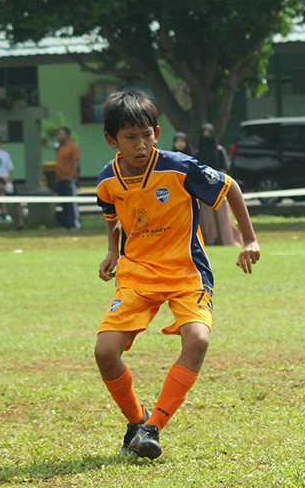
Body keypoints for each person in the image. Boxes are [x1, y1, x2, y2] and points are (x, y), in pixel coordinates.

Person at [94, 90, 261, 459]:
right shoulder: (107, 180)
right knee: (105, 351)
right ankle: (136, 422)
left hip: (187, 271)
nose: (141, 145)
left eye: (147, 135)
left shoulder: (178, 167)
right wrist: (111, 251)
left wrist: (248, 240)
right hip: (137, 274)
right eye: (130, 138)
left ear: (156, 132)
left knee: (197, 341)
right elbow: (112, 212)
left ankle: (153, 427)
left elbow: (229, 186)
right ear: (111, 141)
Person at [194, 123, 243, 247]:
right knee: (207, 218)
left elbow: (224, 169)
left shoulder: (219, 150)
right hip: (204, 190)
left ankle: (227, 240)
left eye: (208, 134)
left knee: (223, 217)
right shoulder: (198, 153)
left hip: (219, 188)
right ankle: (210, 240)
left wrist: (220, 185)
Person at [54, 127, 82, 230]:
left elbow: (76, 162)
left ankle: (74, 223)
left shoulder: (73, 147)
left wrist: (71, 176)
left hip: (69, 179)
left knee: (71, 202)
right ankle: (67, 223)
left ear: (67, 135)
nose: (59, 136)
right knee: (64, 202)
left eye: (61, 134)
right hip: (60, 179)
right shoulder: (60, 148)